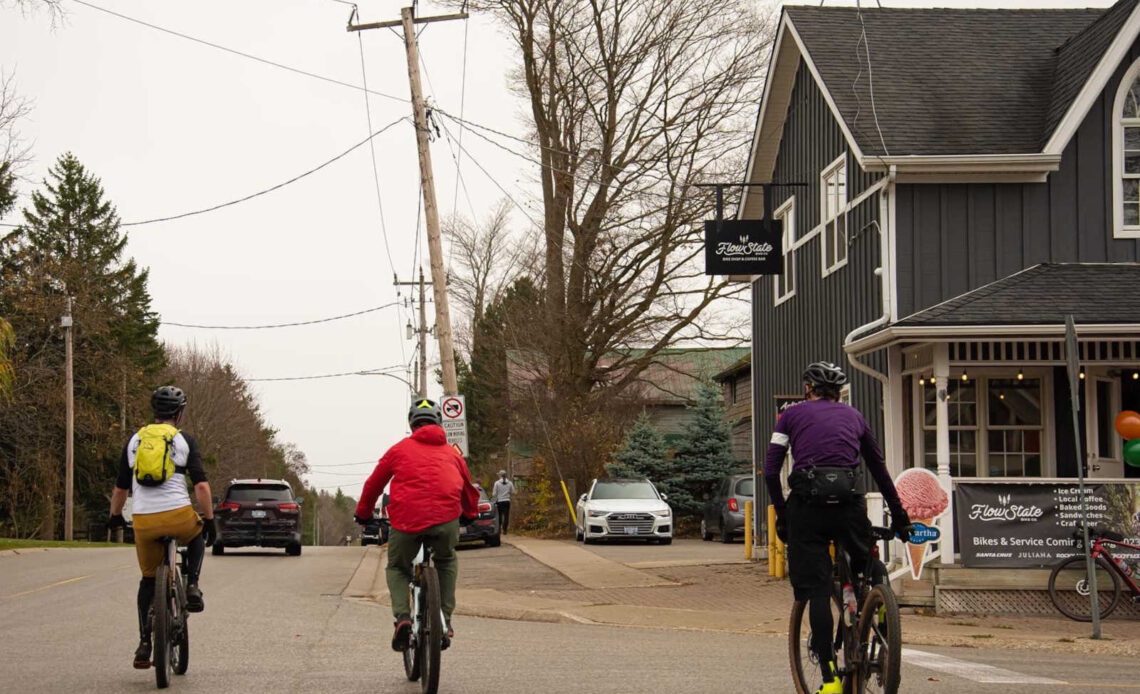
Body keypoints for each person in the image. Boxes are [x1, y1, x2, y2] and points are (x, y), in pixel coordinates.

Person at [764, 362, 911, 694]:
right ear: (838, 391)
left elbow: (771, 470)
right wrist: (900, 517)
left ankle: (829, 680)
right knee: (865, 557)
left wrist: (783, 514)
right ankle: (879, 605)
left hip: (808, 508)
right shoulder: (855, 417)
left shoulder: (790, 415)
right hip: (849, 504)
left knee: (815, 590)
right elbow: (879, 468)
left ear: (808, 388)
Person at [354, 398, 479, 652]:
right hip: (446, 521)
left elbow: (374, 485)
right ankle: (445, 620)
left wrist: (363, 514)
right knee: (446, 560)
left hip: (406, 522)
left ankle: (403, 618)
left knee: (398, 567)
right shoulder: (452, 454)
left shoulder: (399, 450)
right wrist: (470, 513)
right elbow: (468, 489)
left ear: (412, 424)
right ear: (439, 423)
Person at [108, 385, 217, 670]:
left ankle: (145, 643)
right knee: (196, 535)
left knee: (147, 580)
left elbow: (120, 488)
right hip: (178, 515)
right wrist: (210, 519)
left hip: (144, 520)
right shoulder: (184, 441)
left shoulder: (134, 441)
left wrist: (116, 516)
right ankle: (192, 585)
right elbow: (202, 487)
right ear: (179, 414)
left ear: (155, 412)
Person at [491, 469, 515, 534]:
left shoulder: (497, 483)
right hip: (507, 501)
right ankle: (505, 529)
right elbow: (513, 492)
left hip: (499, 501)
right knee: (506, 515)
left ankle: (499, 529)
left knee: (499, 515)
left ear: (500, 475)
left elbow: (494, 494)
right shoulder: (510, 483)